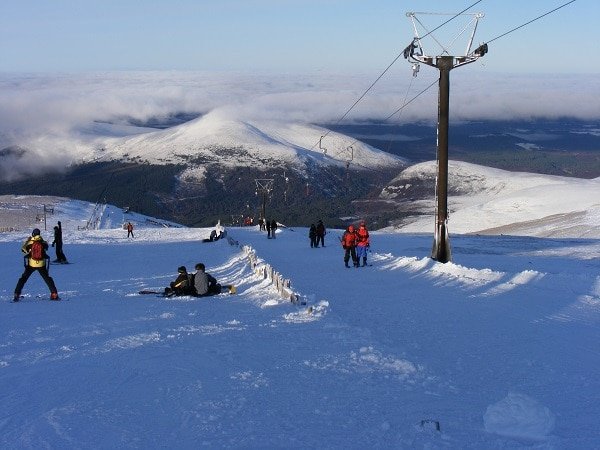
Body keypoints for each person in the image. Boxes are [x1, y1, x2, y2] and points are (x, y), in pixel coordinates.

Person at [14, 228, 59, 301]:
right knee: (48, 279)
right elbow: (46, 248)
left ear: (33, 234)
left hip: (31, 264)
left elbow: (23, 250)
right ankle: (54, 294)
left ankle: (16, 294)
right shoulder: (43, 242)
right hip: (41, 264)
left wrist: (27, 242)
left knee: (23, 279)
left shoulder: (30, 242)